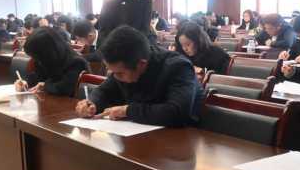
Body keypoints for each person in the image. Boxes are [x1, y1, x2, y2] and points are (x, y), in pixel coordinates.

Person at [75, 25, 204, 127]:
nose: (115, 77)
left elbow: (176, 112)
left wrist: (128, 111)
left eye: (119, 73)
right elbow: (104, 91)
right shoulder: (123, 66)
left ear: (141, 64)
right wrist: (92, 103)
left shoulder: (178, 67)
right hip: (138, 133)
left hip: (181, 140)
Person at [86, 0, 153, 62]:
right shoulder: (109, 0)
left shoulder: (146, 1)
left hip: (134, 51)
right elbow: (103, 29)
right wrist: (111, 49)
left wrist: (129, 50)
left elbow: (144, 30)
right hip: (111, 50)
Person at [13, 27, 90, 96]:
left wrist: (45, 85)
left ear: (47, 52)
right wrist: (25, 82)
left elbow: (64, 88)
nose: (35, 60)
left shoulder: (77, 63)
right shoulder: (48, 60)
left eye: (36, 56)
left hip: (70, 105)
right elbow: (37, 75)